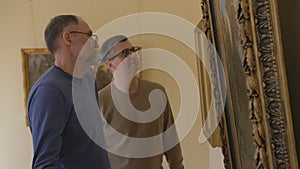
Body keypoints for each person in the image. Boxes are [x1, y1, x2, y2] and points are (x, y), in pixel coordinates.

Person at [27, 14, 111, 169]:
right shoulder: (50, 91)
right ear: (68, 38)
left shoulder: (87, 80)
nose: (95, 44)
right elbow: (44, 164)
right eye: (89, 36)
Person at [98, 35, 184, 169]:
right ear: (110, 64)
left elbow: (171, 140)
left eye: (134, 50)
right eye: (126, 53)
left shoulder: (157, 92)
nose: (133, 56)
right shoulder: (100, 101)